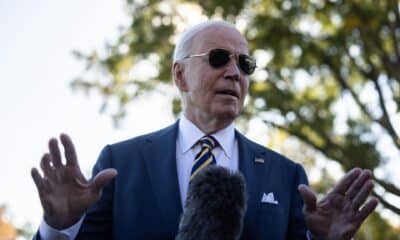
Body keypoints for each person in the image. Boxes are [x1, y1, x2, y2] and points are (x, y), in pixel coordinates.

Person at [31, 20, 378, 240]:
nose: (234, 73)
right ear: (180, 75)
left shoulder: (286, 176)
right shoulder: (120, 163)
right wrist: (59, 227)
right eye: (218, 58)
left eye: (245, 64)